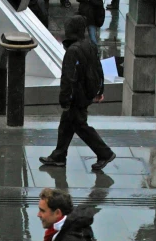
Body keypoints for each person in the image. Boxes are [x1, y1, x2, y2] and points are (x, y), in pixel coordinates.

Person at [39, 16, 115, 172]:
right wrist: (100, 90)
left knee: (80, 125)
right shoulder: (89, 46)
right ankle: (58, 156)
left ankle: (104, 153)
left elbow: (68, 78)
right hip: (85, 93)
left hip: (76, 96)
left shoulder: (73, 51)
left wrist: (65, 98)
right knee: (66, 124)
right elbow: (98, 69)